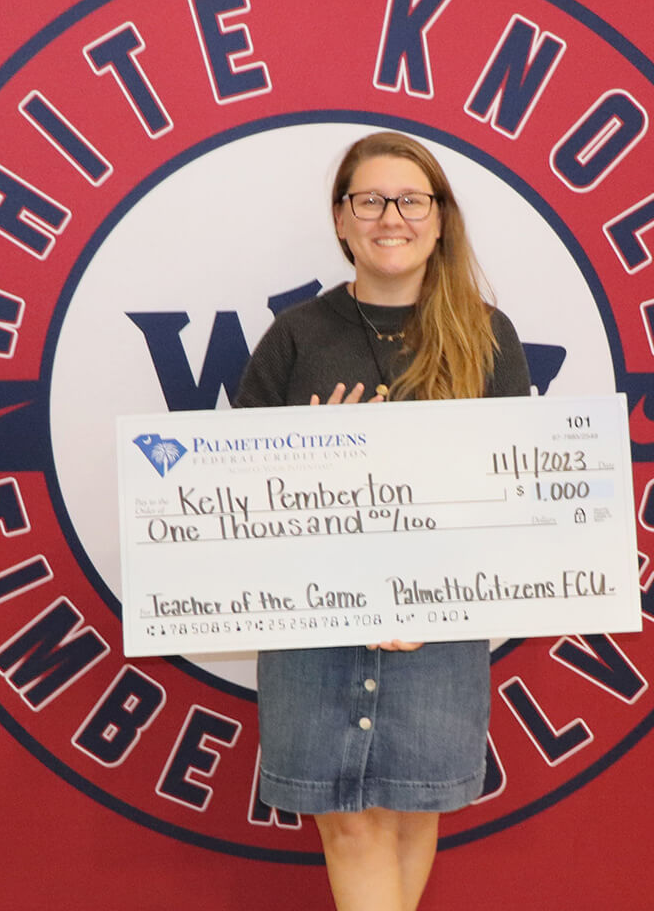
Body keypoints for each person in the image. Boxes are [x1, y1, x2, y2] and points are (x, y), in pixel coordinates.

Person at [235, 131, 531, 911]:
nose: (390, 217)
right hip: (315, 623)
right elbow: (233, 495)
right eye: (368, 201)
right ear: (341, 220)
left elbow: (515, 496)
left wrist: (426, 599)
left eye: (410, 200)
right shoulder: (296, 336)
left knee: (407, 813)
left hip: (439, 625)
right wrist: (303, 452)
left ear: (440, 218)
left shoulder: (489, 337)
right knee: (350, 823)